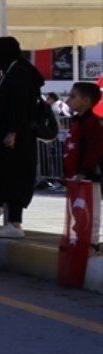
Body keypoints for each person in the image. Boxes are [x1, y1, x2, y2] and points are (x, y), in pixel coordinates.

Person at [0, 36, 45, 239]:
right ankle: (3, 214)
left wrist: (13, 131)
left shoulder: (19, 73)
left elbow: (19, 105)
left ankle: (12, 222)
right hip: (11, 135)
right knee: (6, 174)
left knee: (14, 176)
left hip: (16, 138)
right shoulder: (14, 70)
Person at [65, 82, 103, 252]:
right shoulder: (77, 122)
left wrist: (84, 171)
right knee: (77, 208)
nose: (68, 100)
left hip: (88, 175)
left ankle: (92, 242)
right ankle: (80, 237)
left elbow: (95, 149)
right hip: (75, 175)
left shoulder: (92, 123)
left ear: (86, 101)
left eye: (73, 96)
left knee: (91, 209)